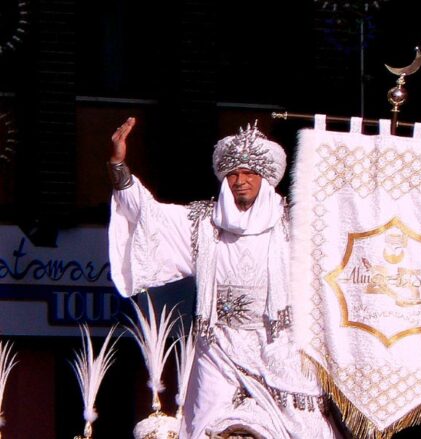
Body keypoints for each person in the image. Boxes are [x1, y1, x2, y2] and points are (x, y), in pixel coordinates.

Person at [107, 117, 341, 438]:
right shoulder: (204, 223)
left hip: (278, 344)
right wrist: (118, 165)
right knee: (208, 427)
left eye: (248, 173)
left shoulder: (294, 225)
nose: (239, 181)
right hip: (218, 346)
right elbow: (148, 214)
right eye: (232, 174)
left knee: (306, 429)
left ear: (265, 178)